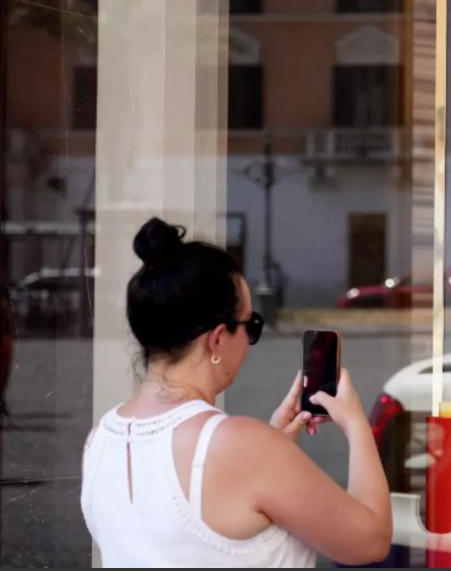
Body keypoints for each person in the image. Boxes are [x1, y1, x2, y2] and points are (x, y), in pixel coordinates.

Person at [80, 218, 391, 567]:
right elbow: (371, 541)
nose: (250, 341)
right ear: (216, 339)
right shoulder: (245, 448)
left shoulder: (100, 440)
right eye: (250, 325)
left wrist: (271, 445)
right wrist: (356, 426)